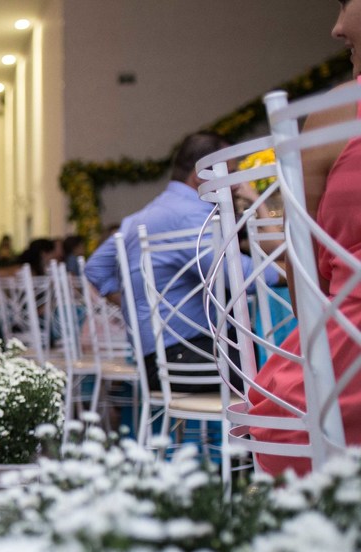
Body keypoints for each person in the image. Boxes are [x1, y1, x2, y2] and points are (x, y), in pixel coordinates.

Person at [247, 1, 361, 475]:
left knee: (293, 406)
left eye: (345, 2)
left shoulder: (338, 111)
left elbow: (303, 270)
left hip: (341, 371)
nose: (337, 29)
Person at [84, 131, 281, 392]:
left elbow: (95, 268)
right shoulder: (193, 216)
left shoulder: (140, 217)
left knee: (266, 359)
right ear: (201, 174)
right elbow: (244, 277)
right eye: (230, 175)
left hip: (155, 359)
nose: (235, 185)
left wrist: (139, 309)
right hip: (188, 359)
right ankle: (260, 432)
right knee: (280, 365)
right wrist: (290, 272)